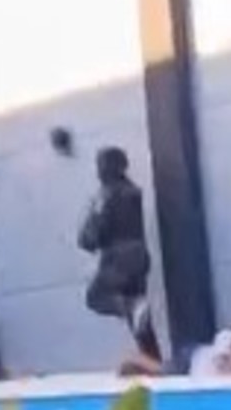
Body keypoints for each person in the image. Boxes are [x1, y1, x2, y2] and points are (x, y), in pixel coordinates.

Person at [78, 146, 161, 361]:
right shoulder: (133, 191)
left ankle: (131, 306)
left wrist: (90, 219)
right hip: (139, 257)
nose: (98, 172)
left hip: (117, 258)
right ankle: (153, 361)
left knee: (96, 297)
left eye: (100, 166)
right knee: (140, 323)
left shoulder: (107, 195)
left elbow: (91, 237)